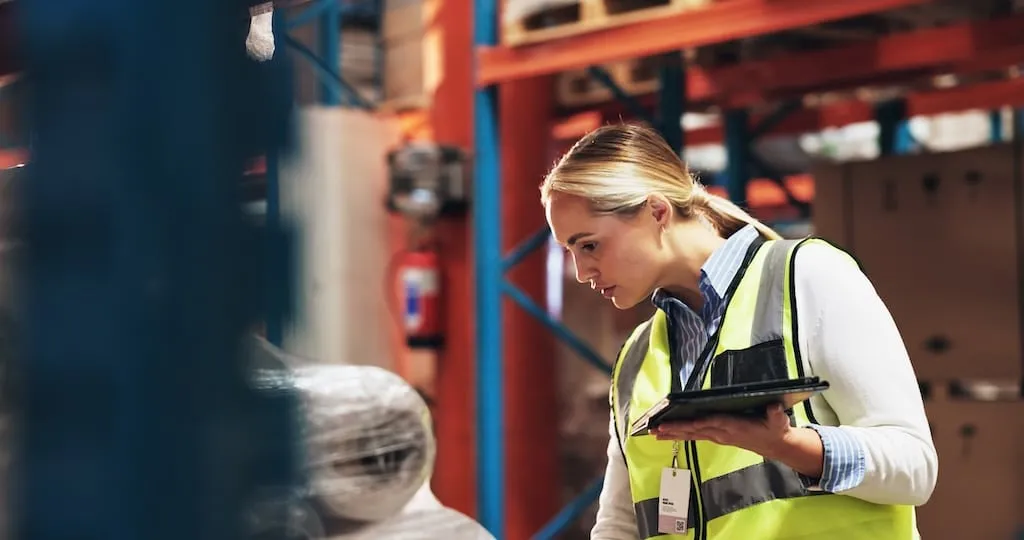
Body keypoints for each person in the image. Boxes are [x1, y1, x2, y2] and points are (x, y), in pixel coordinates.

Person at [540, 123, 937, 540]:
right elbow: (620, 524)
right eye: (569, 251)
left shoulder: (808, 277)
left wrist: (791, 446)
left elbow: (915, 467)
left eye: (589, 245)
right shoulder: (636, 359)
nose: (581, 272)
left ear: (656, 212)